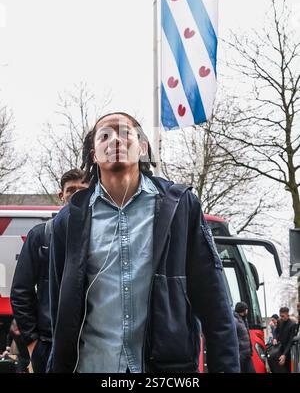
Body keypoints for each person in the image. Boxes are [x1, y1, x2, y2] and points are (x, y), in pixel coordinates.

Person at [47, 112, 240, 373]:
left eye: (126, 132)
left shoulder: (180, 207)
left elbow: (214, 303)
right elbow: (60, 311)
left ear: (142, 147)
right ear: (94, 154)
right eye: (104, 135)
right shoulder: (68, 221)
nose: (115, 139)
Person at [10, 168, 89, 373]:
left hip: (94, 344)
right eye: (71, 189)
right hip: (49, 344)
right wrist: (33, 346)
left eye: (83, 189)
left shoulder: (104, 236)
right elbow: (20, 292)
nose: (77, 194)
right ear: (61, 195)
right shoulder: (41, 235)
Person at [269, 306, 296, 373]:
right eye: (280, 316)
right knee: (278, 367)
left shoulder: (292, 325)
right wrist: (275, 338)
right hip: (279, 347)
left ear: (287, 315)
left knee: (287, 368)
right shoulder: (279, 321)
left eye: (283, 316)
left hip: (288, 350)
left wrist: (284, 355)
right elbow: (275, 331)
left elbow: (290, 341)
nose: (281, 317)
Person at [234, 302, 255, 373]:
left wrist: (251, 350)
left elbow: (247, 336)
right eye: (247, 309)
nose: (247, 311)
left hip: (247, 354)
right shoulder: (235, 321)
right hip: (240, 355)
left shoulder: (244, 320)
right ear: (244, 310)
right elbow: (233, 338)